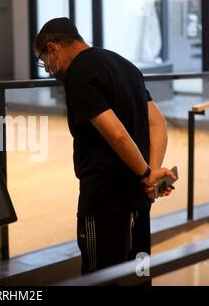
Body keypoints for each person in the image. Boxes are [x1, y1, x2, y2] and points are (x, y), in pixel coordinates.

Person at [33, 17, 176, 275]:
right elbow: (157, 122)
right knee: (138, 274)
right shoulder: (124, 64)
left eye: (45, 61)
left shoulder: (78, 73)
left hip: (105, 201)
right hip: (139, 199)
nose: (50, 70)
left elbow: (117, 135)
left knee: (99, 277)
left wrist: (146, 174)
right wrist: (150, 175)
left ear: (53, 47)